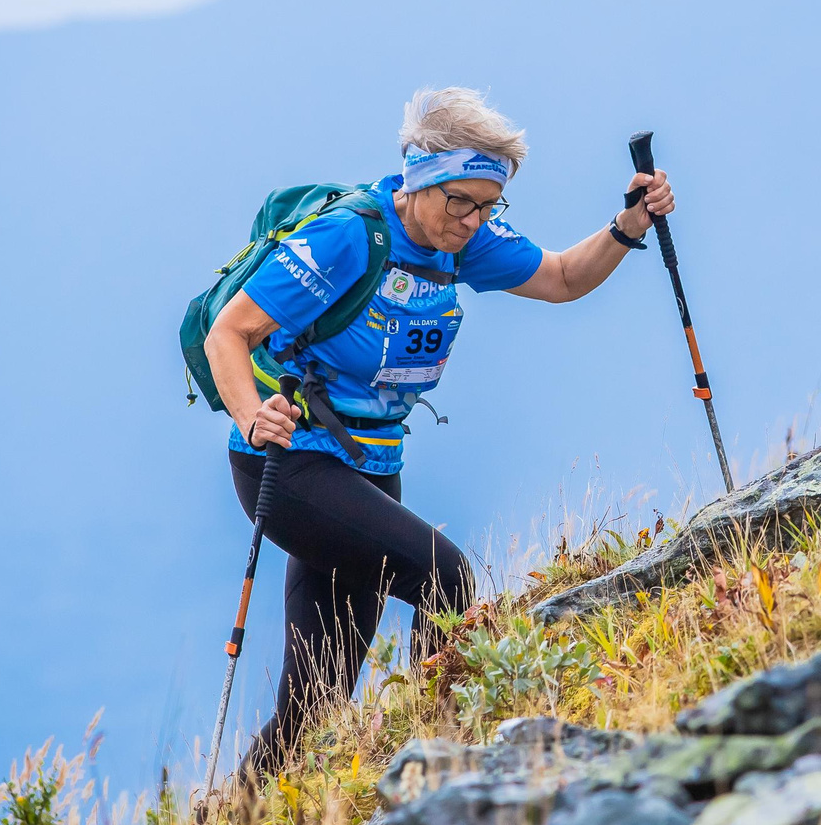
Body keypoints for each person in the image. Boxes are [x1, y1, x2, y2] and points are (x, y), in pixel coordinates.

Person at [201, 86, 676, 788]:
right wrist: (250, 414)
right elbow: (230, 332)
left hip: (371, 461)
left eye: (489, 205)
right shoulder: (345, 238)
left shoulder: (465, 241)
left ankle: (235, 819)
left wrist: (629, 223)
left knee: (318, 695)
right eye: (461, 202)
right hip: (291, 461)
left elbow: (562, 277)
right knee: (445, 576)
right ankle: (440, 756)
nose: (473, 220)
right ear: (421, 179)